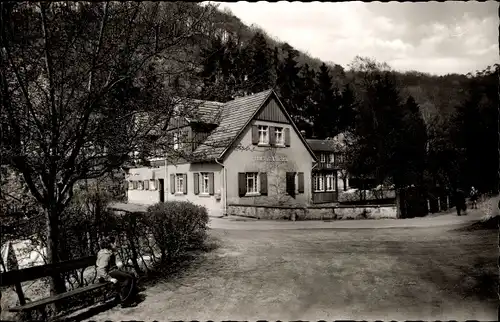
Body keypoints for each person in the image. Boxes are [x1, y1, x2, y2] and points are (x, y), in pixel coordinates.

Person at [96, 236, 139, 308]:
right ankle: (126, 301)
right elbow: (101, 269)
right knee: (128, 278)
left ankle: (129, 297)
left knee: (131, 274)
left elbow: (118, 264)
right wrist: (110, 279)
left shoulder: (110, 251)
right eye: (114, 242)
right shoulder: (105, 254)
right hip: (106, 275)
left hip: (112, 271)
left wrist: (116, 253)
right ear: (110, 244)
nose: (116, 244)